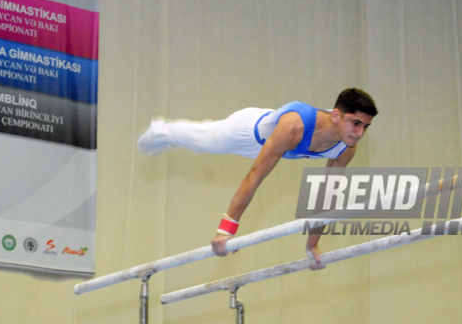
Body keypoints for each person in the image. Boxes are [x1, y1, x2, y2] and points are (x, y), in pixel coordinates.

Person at [138, 88, 378, 269]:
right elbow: (255, 176)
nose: (359, 133)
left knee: (205, 143)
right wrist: (226, 229)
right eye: (355, 123)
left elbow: (326, 197)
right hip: (246, 132)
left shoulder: (345, 148)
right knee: (205, 141)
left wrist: (312, 245)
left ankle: (166, 133)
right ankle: (163, 130)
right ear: (336, 115)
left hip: (272, 147)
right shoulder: (295, 126)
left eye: (365, 126)